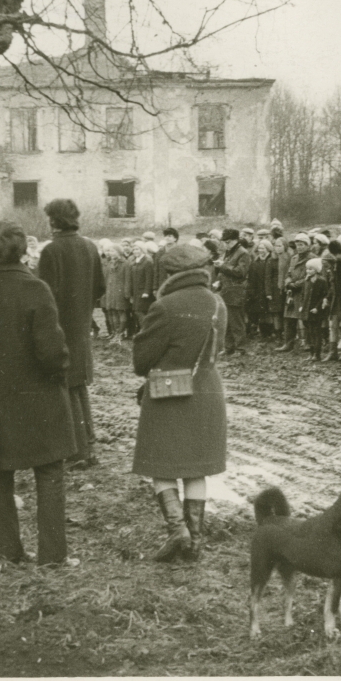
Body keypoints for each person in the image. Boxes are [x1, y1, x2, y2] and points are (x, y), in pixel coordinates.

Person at [0, 221, 75, 565]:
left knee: (0, 471)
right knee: (50, 471)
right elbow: (52, 351)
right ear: (24, 250)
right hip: (40, 394)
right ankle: (53, 557)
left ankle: (7, 553)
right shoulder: (35, 288)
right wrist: (60, 370)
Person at [132, 243, 228, 562]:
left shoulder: (165, 306)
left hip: (168, 392)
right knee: (195, 468)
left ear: (171, 273)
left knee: (162, 464)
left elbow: (141, 361)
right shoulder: (218, 304)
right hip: (207, 392)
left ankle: (178, 531)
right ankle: (196, 541)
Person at [37, 198, 106, 472]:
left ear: (54, 221)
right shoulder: (90, 246)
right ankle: (87, 446)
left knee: (66, 390)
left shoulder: (52, 251)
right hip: (81, 328)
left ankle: (77, 453)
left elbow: (44, 295)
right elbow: (100, 287)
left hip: (59, 328)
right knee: (78, 388)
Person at [214, 228, 251, 355]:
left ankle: (240, 349)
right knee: (227, 321)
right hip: (226, 291)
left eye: (228, 241)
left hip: (236, 292)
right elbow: (225, 271)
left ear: (236, 240)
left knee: (237, 322)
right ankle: (228, 347)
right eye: (225, 242)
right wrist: (218, 281)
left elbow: (240, 272)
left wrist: (222, 266)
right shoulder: (229, 252)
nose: (226, 244)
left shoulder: (243, 253)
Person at [277, 233, 313, 352]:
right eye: (297, 245)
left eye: (302, 245)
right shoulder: (294, 258)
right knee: (289, 319)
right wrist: (288, 282)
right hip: (292, 293)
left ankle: (308, 343)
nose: (299, 247)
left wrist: (296, 284)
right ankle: (288, 343)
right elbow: (288, 273)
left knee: (306, 319)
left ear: (307, 245)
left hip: (305, 292)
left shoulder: (312, 258)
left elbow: (311, 276)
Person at [301, 257, 330, 360]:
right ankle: (311, 353)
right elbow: (303, 294)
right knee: (309, 332)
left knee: (316, 332)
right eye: (307, 269)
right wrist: (302, 306)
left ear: (317, 270)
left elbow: (324, 296)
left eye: (311, 269)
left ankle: (317, 354)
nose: (308, 271)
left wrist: (317, 308)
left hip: (315, 311)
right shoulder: (307, 280)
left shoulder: (321, 281)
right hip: (306, 310)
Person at [246, 239, 274, 339]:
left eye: (263, 248)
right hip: (257, 290)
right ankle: (263, 333)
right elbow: (251, 278)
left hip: (268, 289)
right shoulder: (255, 262)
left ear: (268, 249)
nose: (260, 250)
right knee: (260, 312)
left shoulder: (271, 260)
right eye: (259, 248)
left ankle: (270, 332)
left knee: (268, 312)